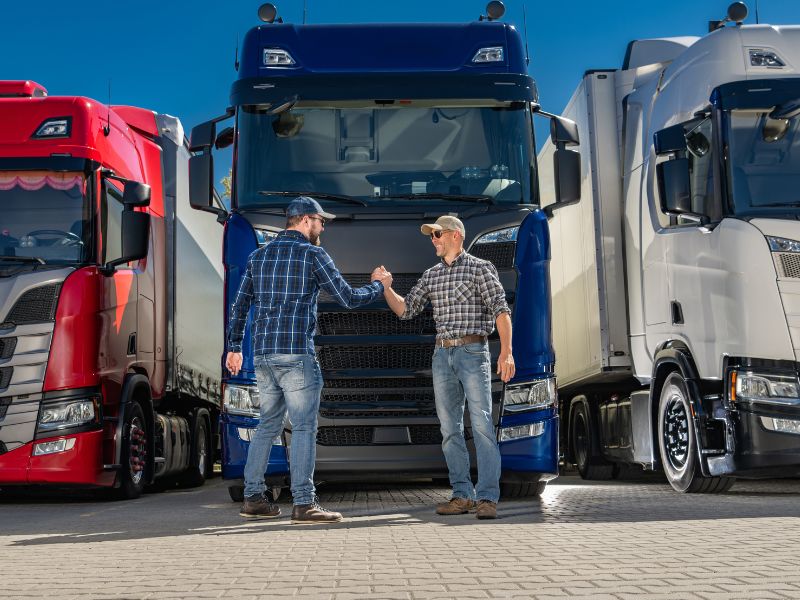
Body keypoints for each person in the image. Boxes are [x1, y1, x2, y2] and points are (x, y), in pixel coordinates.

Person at [226, 196, 392, 523]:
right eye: (320, 220)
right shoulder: (313, 255)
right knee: (303, 427)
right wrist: (378, 286)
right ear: (304, 221)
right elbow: (347, 297)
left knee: (267, 426)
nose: (323, 226)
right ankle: (304, 502)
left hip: (263, 356)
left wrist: (234, 346)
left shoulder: (258, 257)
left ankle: (253, 497)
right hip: (296, 355)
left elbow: (240, 306)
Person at [381, 215, 514, 519]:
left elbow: (501, 311)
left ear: (455, 235)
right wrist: (387, 288)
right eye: (431, 236)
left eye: (437, 234)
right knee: (449, 429)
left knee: (481, 424)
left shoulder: (480, 268)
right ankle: (462, 495)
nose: (433, 240)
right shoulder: (431, 276)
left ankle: (487, 498)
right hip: (442, 356)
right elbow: (406, 310)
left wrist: (506, 353)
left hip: (472, 351)